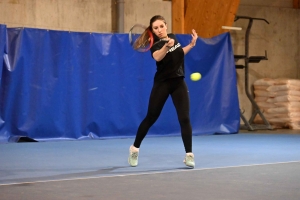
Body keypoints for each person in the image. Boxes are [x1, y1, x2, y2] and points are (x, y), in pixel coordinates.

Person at [128, 15, 198, 168]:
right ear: (153, 31)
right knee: (151, 117)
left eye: (161, 26)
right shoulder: (155, 45)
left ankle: (189, 155)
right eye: (155, 28)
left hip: (178, 82)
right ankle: (134, 148)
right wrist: (166, 46)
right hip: (162, 84)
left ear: (166, 26)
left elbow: (179, 54)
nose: (159, 30)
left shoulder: (173, 37)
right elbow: (158, 58)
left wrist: (191, 45)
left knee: (184, 118)